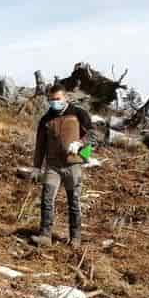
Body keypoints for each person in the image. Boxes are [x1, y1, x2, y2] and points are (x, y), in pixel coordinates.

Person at [29, 84, 98, 246]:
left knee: (74, 202)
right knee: (46, 199)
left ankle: (75, 238)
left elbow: (94, 135)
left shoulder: (79, 113)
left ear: (65, 97)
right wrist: (36, 167)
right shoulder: (46, 119)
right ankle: (45, 236)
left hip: (73, 165)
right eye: (51, 100)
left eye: (57, 99)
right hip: (52, 166)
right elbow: (40, 145)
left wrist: (81, 144)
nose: (54, 103)